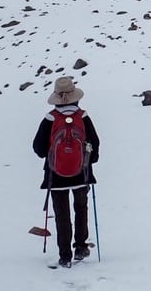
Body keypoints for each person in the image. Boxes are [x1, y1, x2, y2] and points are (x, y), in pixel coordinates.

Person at [32, 76, 100, 268]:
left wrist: (52, 157)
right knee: (81, 208)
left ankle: (64, 255)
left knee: (62, 214)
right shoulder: (83, 116)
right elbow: (95, 144)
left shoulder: (50, 118)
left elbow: (38, 147)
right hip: (81, 174)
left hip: (56, 176)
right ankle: (80, 246)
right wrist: (87, 162)